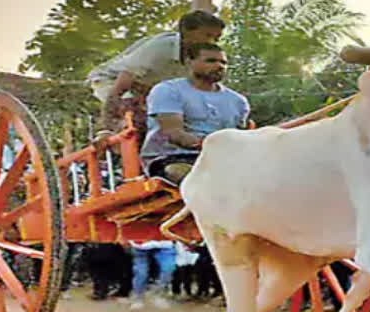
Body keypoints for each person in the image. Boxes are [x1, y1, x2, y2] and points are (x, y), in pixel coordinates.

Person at [86, 10, 225, 145]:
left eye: (217, 39)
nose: (212, 42)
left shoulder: (199, 57)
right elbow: (119, 87)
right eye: (208, 35)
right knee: (135, 119)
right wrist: (107, 124)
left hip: (146, 87)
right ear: (186, 32)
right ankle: (111, 138)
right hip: (110, 80)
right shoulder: (161, 48)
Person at [142, 42, 249, 183]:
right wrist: (211, 144)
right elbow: (174, 134)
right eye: (211, 61)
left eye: (223, 62)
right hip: (173, 158)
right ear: (189, 62)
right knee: (190, 176)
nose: (219, 66)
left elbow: (241, 138)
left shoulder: (238, 101)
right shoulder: (168, 90)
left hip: (222, 160)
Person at [128, 240, 176, 311]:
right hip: (140, 245)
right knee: (141, 273)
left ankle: (158, 294)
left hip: (165, 245)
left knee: (169, 269)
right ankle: (138, 298)